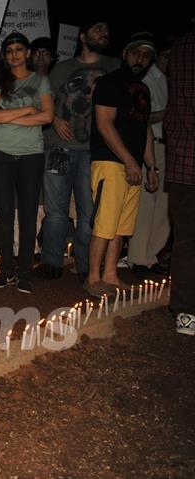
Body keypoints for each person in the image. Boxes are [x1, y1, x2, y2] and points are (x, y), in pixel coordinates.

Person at [37, 20, 120, 282]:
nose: (103, 33)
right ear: (83, 36)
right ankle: (52, 262)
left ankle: (86, 265)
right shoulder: (62, 69)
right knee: (55, 211)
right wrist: (54, 120)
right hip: (59, 149)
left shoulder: (115, 66)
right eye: (97, 29)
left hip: (94, 152)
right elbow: (44, 103)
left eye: (106, 30)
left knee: (88, 213)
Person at [85, 32, 159, 298]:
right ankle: (93, 277)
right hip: (110, 162)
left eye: (146, 56)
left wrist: (151, 166)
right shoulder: (110, 82)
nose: (140, 59)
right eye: (136, 53)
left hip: (135, 167)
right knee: (105, 224)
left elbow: (145, 128)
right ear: (125, 54)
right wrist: (128, 160)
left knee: (122, 227)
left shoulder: (144, 89)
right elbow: (104, 124)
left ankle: (111, 275)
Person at [0, 32, 54, 294]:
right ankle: (6, 271)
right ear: (5, 55)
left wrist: (7, 116)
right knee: (4, 215)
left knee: (27, 215)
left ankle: (25, 272)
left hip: (31, 155)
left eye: (18, 49)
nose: (14, 54)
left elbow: (47, 116)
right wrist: (27, 110)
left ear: (27, 53)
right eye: (9, 50)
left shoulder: (40, 80)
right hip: (1, 153)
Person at [129, 36, 172, 275]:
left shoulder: (172, 80)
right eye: (167, 55)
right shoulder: (146, 79)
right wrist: (170, 112)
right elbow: (143, 117)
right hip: (151, 144)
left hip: (170, 146)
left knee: (164, 204)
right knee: (146, 203)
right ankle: (137, 257)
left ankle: (152, 255)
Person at [164, 24, 195, 335]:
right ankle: (187, 312)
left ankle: (187, 312)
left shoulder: (181, 47)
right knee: (188, 240)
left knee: (187, 239)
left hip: (183, 164)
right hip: (189, 164)